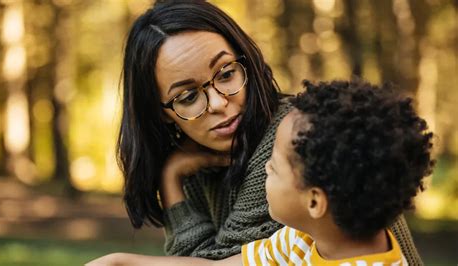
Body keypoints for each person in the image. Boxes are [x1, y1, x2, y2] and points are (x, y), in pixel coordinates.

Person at [116, 0, 423, 263]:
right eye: (188, 97)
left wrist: (170, 180)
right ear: (161, 112)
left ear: (245, 61)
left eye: (226, 74)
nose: (218, 102)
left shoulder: (293, 142)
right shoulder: (198, 161)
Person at [87, 79, 434, 265]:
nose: (264, 165)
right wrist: (121, 263)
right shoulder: (305, 240)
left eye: (275, 165)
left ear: (315, 201)